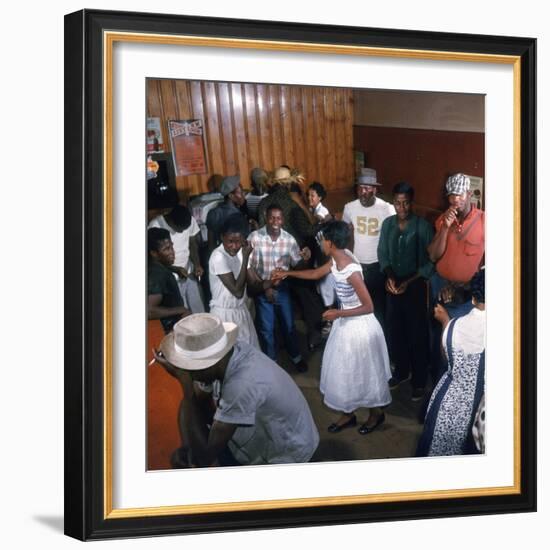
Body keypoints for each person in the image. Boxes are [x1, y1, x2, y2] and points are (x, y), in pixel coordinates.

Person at [272, 221, 392, 435]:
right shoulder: (336, 258)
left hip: (359, 326)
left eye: (322, 240)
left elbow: (368, 306)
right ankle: (349, 414)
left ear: (330, 242)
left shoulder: (349, 268)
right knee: (345, 371)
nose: (320, 243)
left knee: (364, 373)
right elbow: (317, 273)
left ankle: (376, 414)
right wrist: (287, 274)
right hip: (345, 324)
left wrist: (338, 313)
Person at [153, 313, 320, 466]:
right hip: (264, 434)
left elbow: (202, 459)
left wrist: (186, 386)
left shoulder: (241, 385)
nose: (189, 375)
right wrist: (188, 446)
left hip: (288, 450)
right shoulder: (226, 354)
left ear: (207, 364)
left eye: (191, 370)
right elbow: (200, 399)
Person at [416, 269, 486, 457]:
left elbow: (448, 358)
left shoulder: (455, 326)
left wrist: (446, 321)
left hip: (449, 406)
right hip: (478, 411)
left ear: (473, 299)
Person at [377, 182, 434, 401]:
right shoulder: (388, 224)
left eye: (406, 203)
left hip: (415, 284)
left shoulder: (423, 227)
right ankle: (402, 371)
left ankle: (419, 381)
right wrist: (390, 277)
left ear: (412, 203)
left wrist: (408, 282)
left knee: (416, 334)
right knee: (395, 331)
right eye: (397, 203)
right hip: (393, 284)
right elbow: (383, 254)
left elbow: (430, 263)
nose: (401, 207)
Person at [258, 166, 324, 350]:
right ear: (288, 184)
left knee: (273, 304)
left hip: (271, 263)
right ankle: (314, 335)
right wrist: (321, 222)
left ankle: (277, 345)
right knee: (306, 297)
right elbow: (307, 230)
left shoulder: (264, 205)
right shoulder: (292, 204)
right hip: (294, 260)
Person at [427, 173, 485, 380]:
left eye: (460, 195)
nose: (455, 200)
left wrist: (463, 287)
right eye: (451, 195)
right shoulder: (443, 219)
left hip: (467, 292)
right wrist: (445, 228)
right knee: (439, 339)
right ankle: (439, 381)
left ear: (469, 194)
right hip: (440, 286)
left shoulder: (484, 220)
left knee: (461, 341)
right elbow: (433, 255)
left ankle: (459, 383)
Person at [247, 204, 310, 372]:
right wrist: (265, 288)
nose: (275, 221)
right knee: (266, 329)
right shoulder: (254, 237)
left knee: (288, 325)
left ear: (283, 220)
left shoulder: (289, 240)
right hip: (262, 287)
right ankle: (272, 363)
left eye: (279, 218)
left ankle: (295, 356)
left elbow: (297, 265)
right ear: (266, 219)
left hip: (282, 288)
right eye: (272, 217)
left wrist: (305, 258)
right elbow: (249, 267)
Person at [342, 168, 395, 332]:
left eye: (367, 188)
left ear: (375, 189)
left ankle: (379, 343)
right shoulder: (350, 208)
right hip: (357, 266)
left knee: (377, 309)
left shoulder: (386, 209)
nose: (362, 192)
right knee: (358, 307)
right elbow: (345, 235)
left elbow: (393, 239)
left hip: (377, 266)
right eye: (360, 188)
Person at [208, 214, 260, 348]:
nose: (234, 246)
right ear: (222, 237)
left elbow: (253, 281)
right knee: (232, 357)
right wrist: (245, 259)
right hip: (224, 315)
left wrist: (272, 282)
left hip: (240, 311)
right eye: (230, 241)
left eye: (239, 241)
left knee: (249, 352)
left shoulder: (241, 252)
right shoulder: (218, 257)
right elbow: (237, 291)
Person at [148, 204, 205, 313]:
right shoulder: (155, 226)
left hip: (188, 272)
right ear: (171, 219)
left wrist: (197, 264)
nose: (182, 231)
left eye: (185, 229)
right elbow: (152, 258)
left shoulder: (188, 219)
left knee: (198, 310)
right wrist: (175, 269)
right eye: (179, 229)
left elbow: (192, 242)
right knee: (181, 312)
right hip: (170, 277)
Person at [147, 227, 191, 333]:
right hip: (167, 331)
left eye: (171, 246)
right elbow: (149, 311)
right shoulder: (158, 275)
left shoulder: (153, 265)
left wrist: (175, 269)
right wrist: (181, 310)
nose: (173, 252)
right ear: (154, 253)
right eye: (167, 249)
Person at [206, 175, 249, 250]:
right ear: (231, 196)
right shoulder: (237, 216)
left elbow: (211, 243)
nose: (243, 195)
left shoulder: (213, 212)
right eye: (241, 192)